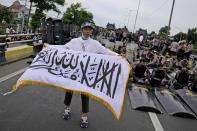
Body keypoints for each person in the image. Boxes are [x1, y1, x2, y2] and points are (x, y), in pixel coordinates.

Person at [62, 22, 118, 128]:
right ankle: (67, 109)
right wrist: (49, 47)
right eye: (86, 29)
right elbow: (62, 48)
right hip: (74, 71)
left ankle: (84, 116)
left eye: (90, 29)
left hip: (86, 74)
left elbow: (105, 51)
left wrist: (118, 55)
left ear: (92, 31)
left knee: (85, 95)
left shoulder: (95, 43)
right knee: (69, 91)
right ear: (81, 29)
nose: (88, 31)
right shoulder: (74, 42)